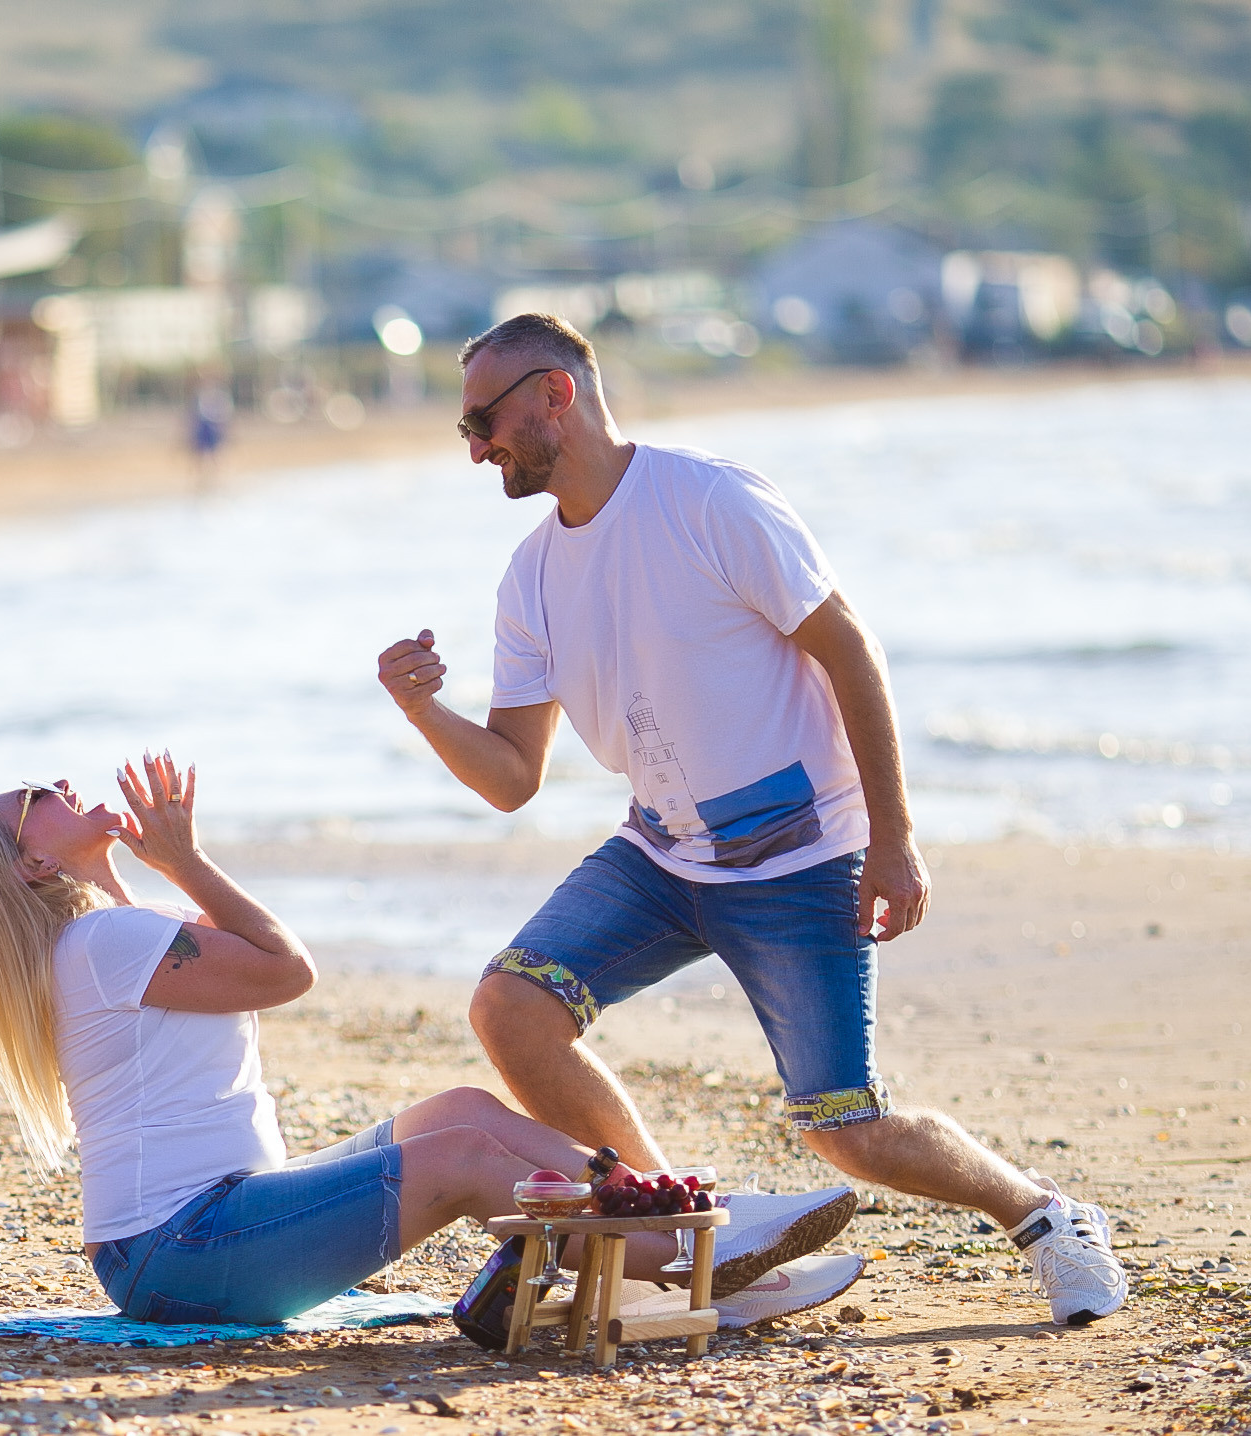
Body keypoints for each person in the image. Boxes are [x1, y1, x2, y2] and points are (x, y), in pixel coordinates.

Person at [373, 313, 1129, 1326]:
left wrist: (895, 839)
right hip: (659, 851)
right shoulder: (530, 577)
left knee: (847, 1128)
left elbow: (849, 650)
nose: (474, 446)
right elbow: (513, 776)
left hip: (803, 858)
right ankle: (694, 1231)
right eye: (465, 426)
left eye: (484, 418)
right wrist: (425, 709)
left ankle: (1048, 1217)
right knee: (511, 1008)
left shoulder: (707, 500)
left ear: (556, 393)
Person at [0, 752, 858, 1327]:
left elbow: (224, 962)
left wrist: (143, 874)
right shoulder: (104, 942)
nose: (60, 784)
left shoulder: (103, 941)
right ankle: (696, 1264)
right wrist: (184, 860)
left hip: (197, 1233)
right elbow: (284, 970)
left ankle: (677, 1225)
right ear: (32, 861)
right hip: (185, 1246)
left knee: (459, 1109)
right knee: (458, 1153)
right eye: (36, 798)